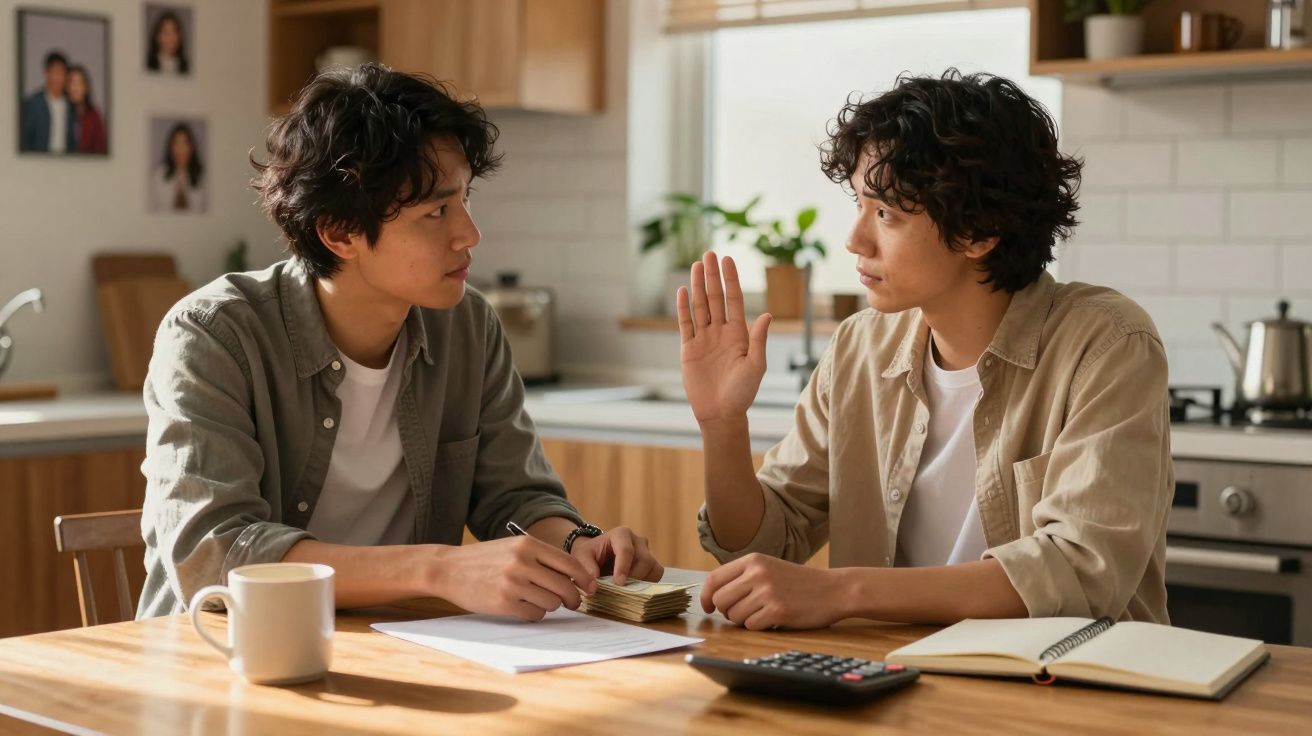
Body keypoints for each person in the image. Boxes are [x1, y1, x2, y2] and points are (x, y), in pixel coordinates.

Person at [137, 63, 664, 620]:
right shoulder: (212, 335)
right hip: (226, 648)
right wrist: (438, 569)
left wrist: (576, 545)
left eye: (465, 199)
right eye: (437, 211)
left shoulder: (468, 326)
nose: (470, 234)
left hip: (400, 648)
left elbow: (514, 497)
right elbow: (214, 551)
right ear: (339, 232)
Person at [682, 70, 1173, 631]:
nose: (854, 240)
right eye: (860, 205)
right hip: (889, 668)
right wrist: (722, 424)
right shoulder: (859, 346)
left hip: (1060, 673)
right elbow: (768, 543)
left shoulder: (1107, 344)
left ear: (979, 231)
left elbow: (1081, 570)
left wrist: (843, 591)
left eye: (885, 214)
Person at [19, 51, 75, 154]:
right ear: (46, 73)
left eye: (62, 73)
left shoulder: (71, 104)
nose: (58, 78)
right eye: (55, 72)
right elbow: (25, 139)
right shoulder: (33, 104)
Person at [150, 122, 205, 213]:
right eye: (176, 143)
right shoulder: (158, 175)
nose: (180, 149)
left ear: (191, 147)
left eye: (185, 143)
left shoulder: (203, 176)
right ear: (170, 147)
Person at [66, 65, 107, 155]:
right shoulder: (62, 113)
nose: (74, 88)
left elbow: (100, 149)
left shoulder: (94, 116)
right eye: (71, 83)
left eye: (78, 83)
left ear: (86, 87)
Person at [146, 10, 189, 75]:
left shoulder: (185, 67)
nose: (170, 38)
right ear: (157, 37)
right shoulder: (149, 64)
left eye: (174, 32)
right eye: (166, 33)